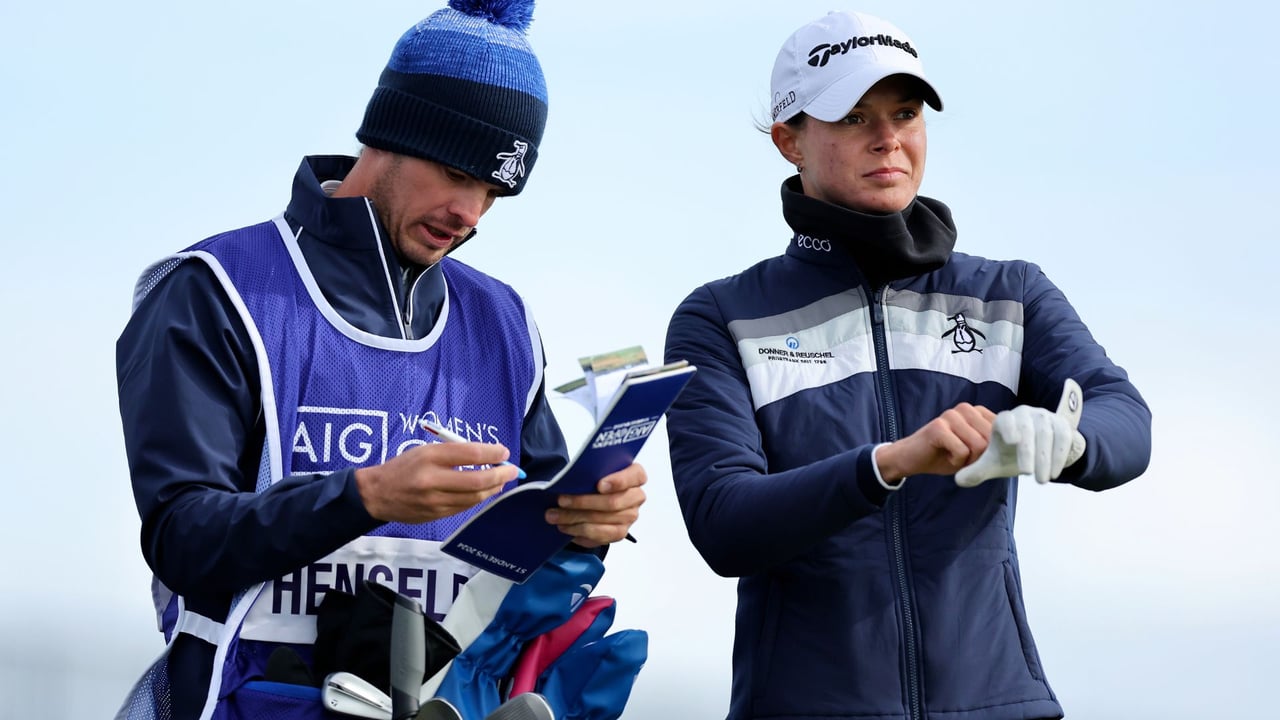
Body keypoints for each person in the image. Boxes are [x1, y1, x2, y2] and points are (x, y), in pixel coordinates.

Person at [114, 1, 645, 718]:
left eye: (494, 191)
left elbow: (534, 546)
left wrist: (592, 518)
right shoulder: (216, 288)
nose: (471, 213)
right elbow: (181, 539)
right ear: (392, 131)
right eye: (458, 172)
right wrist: (365, 497)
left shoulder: (505, 321)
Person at [663, 10, 1151, 720]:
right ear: (788, 139)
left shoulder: (1008, 293)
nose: (888, 138)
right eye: (854, 117)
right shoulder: (721, 316)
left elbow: (1124, 417)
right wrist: (887, 463)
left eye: (905, 112)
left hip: (999, 706)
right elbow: (724, 520)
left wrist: (1072, 442)